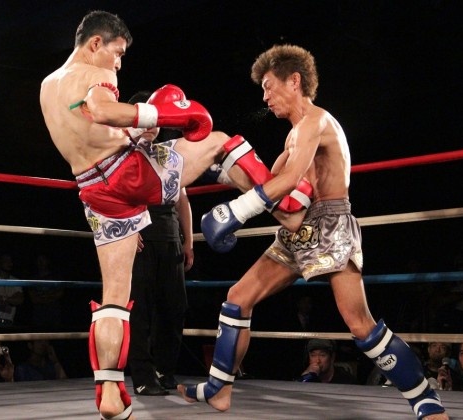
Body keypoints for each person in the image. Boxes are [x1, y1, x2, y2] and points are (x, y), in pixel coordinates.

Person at [39, 11, 303, 420]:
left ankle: (109, 392)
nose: (119, 63)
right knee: (220, 141)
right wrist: (158, 116)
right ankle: (284, 204)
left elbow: (89, 130)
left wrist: (135, 132)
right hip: (127, 175)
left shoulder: (48, 86)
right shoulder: (95, 74)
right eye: (117, 52)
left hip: (93, 189)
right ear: (95, 43)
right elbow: (101, 110)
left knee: (114, 298)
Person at [178, 44, 447, 420]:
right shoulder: (292, 138)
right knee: (237, 298)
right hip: (298, 231)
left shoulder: (316, 122)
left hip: (331, 225)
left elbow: (287, 180)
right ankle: (218, 388)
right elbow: (277, 197)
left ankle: (426, 401)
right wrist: (229, 171)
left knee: (360, 325)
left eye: (269, 86)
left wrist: (235, 212)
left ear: (294, 81)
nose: (265, 97)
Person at [125, 91, 192, 396]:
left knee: (174, 308)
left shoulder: (171, 154)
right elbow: (111, 196)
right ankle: (142, 376)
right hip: (139, 237)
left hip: (170, 236)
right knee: (139, 310)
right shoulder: (121, 152)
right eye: (145, 117)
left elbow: (182, 199)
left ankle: (165, 371)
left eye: (155, 118)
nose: (151, 124)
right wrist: (129, 228)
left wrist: (188, 242)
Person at [0, 254, 24, 327]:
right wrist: (12, 299)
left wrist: (3, 298)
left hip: (9, 321)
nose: (9, 263)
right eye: (6, 261)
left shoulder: (16, 281)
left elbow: (20, 300)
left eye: (10, 261)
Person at [28, 254, 65, 329]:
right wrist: (47, 298)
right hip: (38, 313)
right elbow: (33, 298)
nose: (40, 262)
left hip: (53, 312)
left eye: (43, 260)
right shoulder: (33, 278)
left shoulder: (55, 277)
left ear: (48, 261)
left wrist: (47, 297)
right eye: (39, 260)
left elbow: (60, 293)